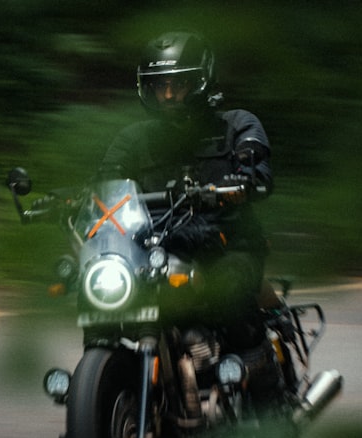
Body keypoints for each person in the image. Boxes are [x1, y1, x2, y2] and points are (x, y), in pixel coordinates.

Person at [98, 31, 276, 339]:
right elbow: (105, 182)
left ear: (200, 82)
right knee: (100, 294)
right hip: (155, 250)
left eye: (178, 85)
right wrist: (73, 200)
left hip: (228, 245)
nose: (167, 95)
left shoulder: (236, 125)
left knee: (228, 292)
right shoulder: (133, 139)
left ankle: (253, 376)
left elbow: (257, 170)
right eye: (158, 86)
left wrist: (245, 179)